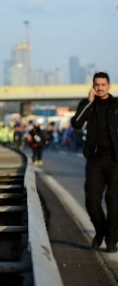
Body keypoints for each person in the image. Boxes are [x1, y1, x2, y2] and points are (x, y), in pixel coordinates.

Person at [70, 72, 118, 253]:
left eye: (103, 84)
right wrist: (89, 102)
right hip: (95, 160)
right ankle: (101, 230)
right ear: (93, 86)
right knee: (91, 201)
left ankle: (112, 240)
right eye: (96, 85)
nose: (100, 88)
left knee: (114, 202)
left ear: (109, 86)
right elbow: (76, 124)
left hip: (115, 160)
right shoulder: (87, 104)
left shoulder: (116, 104)